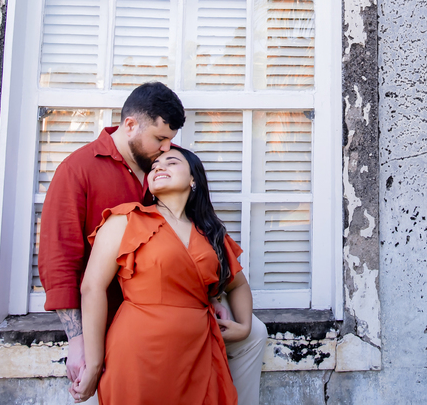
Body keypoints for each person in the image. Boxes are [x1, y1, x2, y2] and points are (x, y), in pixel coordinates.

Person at [38, 82, 266, 403]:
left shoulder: (162, 168)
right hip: (118, 309)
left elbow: (191, 238)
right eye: (160, 139)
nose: (165, 150)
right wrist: (77, 339)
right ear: (130, 125)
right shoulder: (78, 170)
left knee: (254, 331)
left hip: (177, 295)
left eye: (171, 143)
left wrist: (204, 292)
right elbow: (59, 261)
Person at [70, 146, 253, 404]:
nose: (159, 167)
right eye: (154, 166)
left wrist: (244, 327)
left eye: (171, 162)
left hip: (199, 353)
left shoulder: (212, 234)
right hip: (137, 353)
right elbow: (92, 288)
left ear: (193, 179)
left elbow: (238, 285)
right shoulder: (126, 220)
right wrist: (93, 363)